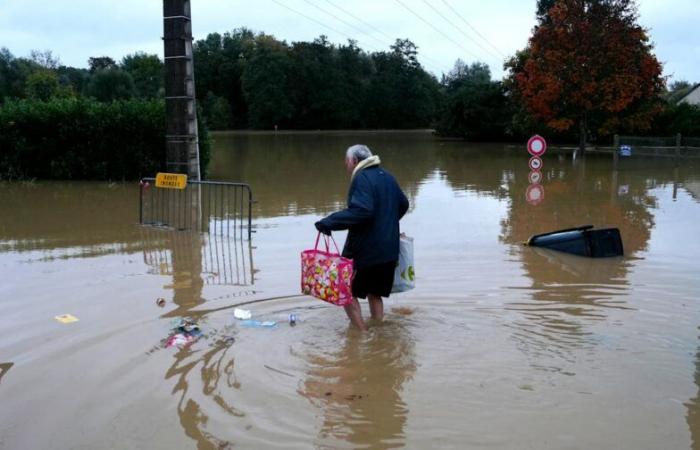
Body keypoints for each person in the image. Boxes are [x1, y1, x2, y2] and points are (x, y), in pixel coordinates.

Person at [315, 144, 409, 330]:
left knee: (345, 292)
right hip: (389, 250)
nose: (346, 165)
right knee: (375, 293)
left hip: (367, 251)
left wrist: (329, 222)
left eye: (346, 161)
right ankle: (379, 333)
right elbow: (403, 204)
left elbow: (362, 211)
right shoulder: (387, 176)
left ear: (354, 161)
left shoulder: (362, 178)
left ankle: (361, 335)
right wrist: (386, 224)